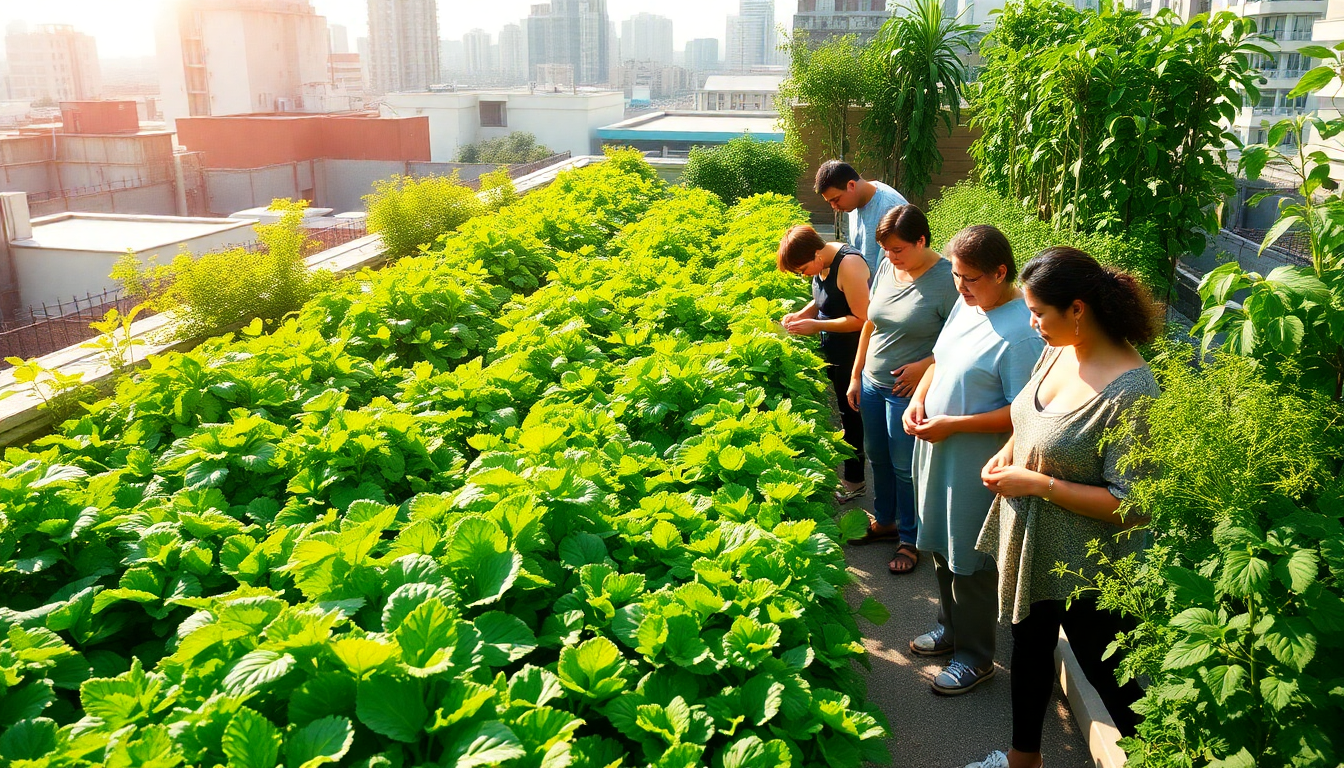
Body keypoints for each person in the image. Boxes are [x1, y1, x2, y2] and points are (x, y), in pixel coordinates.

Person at [965, 247, 1161, 768]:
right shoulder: (1057, 347)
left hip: (1088, 567)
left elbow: (1134, 506)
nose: (1031, 322)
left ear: (1077, 308)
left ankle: (1165, 756)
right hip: (1033, 545)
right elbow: (1029, 417)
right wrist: (1005, 456)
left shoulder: (1132, 391)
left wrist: (1037, 483)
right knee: (1028, 650)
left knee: (1112, 677)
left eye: (1038, 312)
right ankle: (1021, 760)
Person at [902, 225, 1044, 695]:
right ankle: (951, 628)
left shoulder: (1022, 333)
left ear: (1001, 272)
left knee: (971, 561)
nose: (960, 287)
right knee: (942, 548)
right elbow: (939, 360)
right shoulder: (968, 306)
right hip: (939, 452)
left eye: (970, 278)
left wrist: (952, 425)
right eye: (957, 276)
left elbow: (1021, 412)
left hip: (974, 465)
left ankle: (976, 656)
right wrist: (918, 400)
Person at [845, 205, 958, 575]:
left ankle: (910, 538)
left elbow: (961, 340)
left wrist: (925, 365)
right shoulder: (887, 267)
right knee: (876, 456)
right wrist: (856, 374)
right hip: (874, 384)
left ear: (921, 240)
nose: (891, 257)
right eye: (887, 250)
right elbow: (869, 324)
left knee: (905, 466)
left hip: (907, 391)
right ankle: (885, 520)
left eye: (898, 250)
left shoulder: (947, 280)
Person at [777, 225, 873, 503]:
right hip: (835, 351)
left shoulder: (849, 265)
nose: (803, 274)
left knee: (852, 415)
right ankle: (853, 470)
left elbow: (862, 318)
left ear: (817, 252)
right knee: (846, 413)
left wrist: (816, 324)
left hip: (853, 353)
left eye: (802, 269)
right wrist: (800, 314)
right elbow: (824, 299)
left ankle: (855, 481)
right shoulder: (822, 264)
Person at [814, 160, 909, 276]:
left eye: (836, 200)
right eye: (830, 202)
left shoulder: (891, 208)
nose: (834, 207)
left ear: (851, 185)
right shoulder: (853, 205)